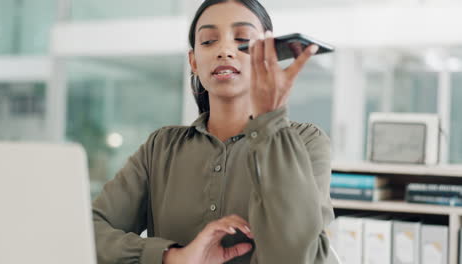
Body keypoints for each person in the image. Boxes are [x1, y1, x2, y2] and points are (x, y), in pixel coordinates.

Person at [92, 0, 334, 263]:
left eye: (242, 38)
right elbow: (88, 230)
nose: (225, 50)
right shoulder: (161, 147)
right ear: (193, 61)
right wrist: (172, 257)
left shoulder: (306, 142)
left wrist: (270, 120)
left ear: (268, 55)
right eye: (208, 41)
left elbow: (297, 255)